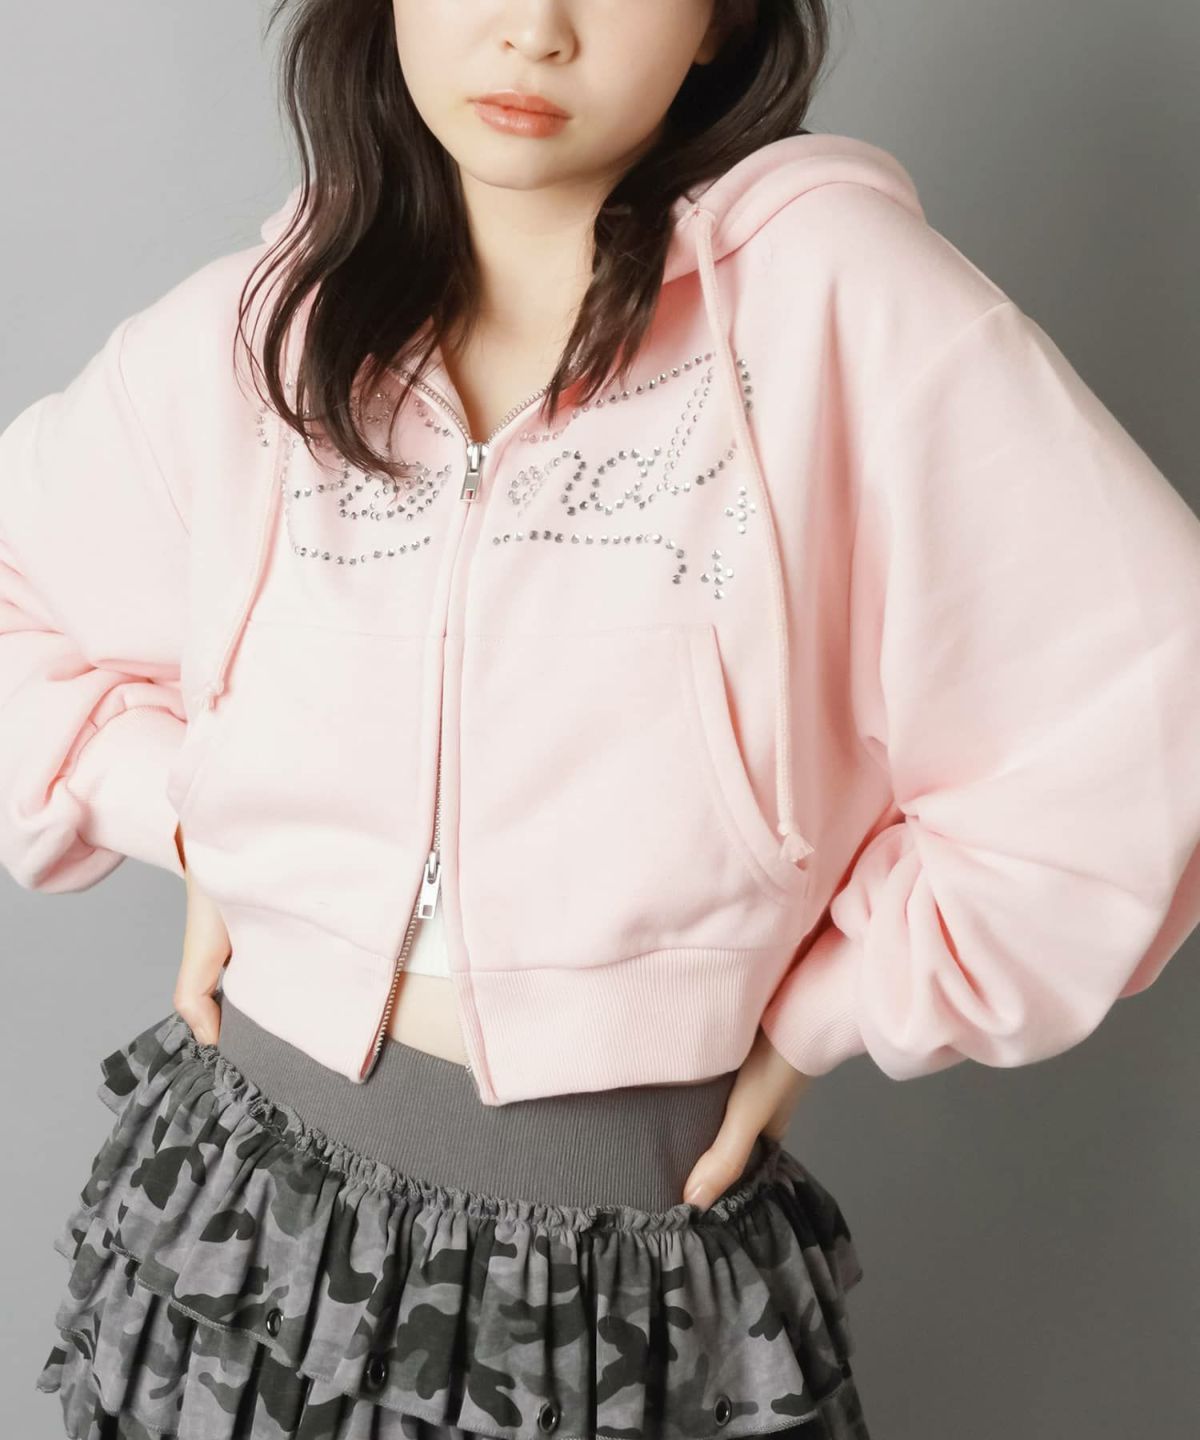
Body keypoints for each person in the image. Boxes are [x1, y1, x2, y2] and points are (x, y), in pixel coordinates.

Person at [4, 2, 1199, 1437]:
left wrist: (835, 1002)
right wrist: (196, 814)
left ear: (723, 20)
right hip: (243, 1232)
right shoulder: (277, 318)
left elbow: (1150, 709)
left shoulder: (833, 304)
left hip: (615, 1274)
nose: (534, 30)